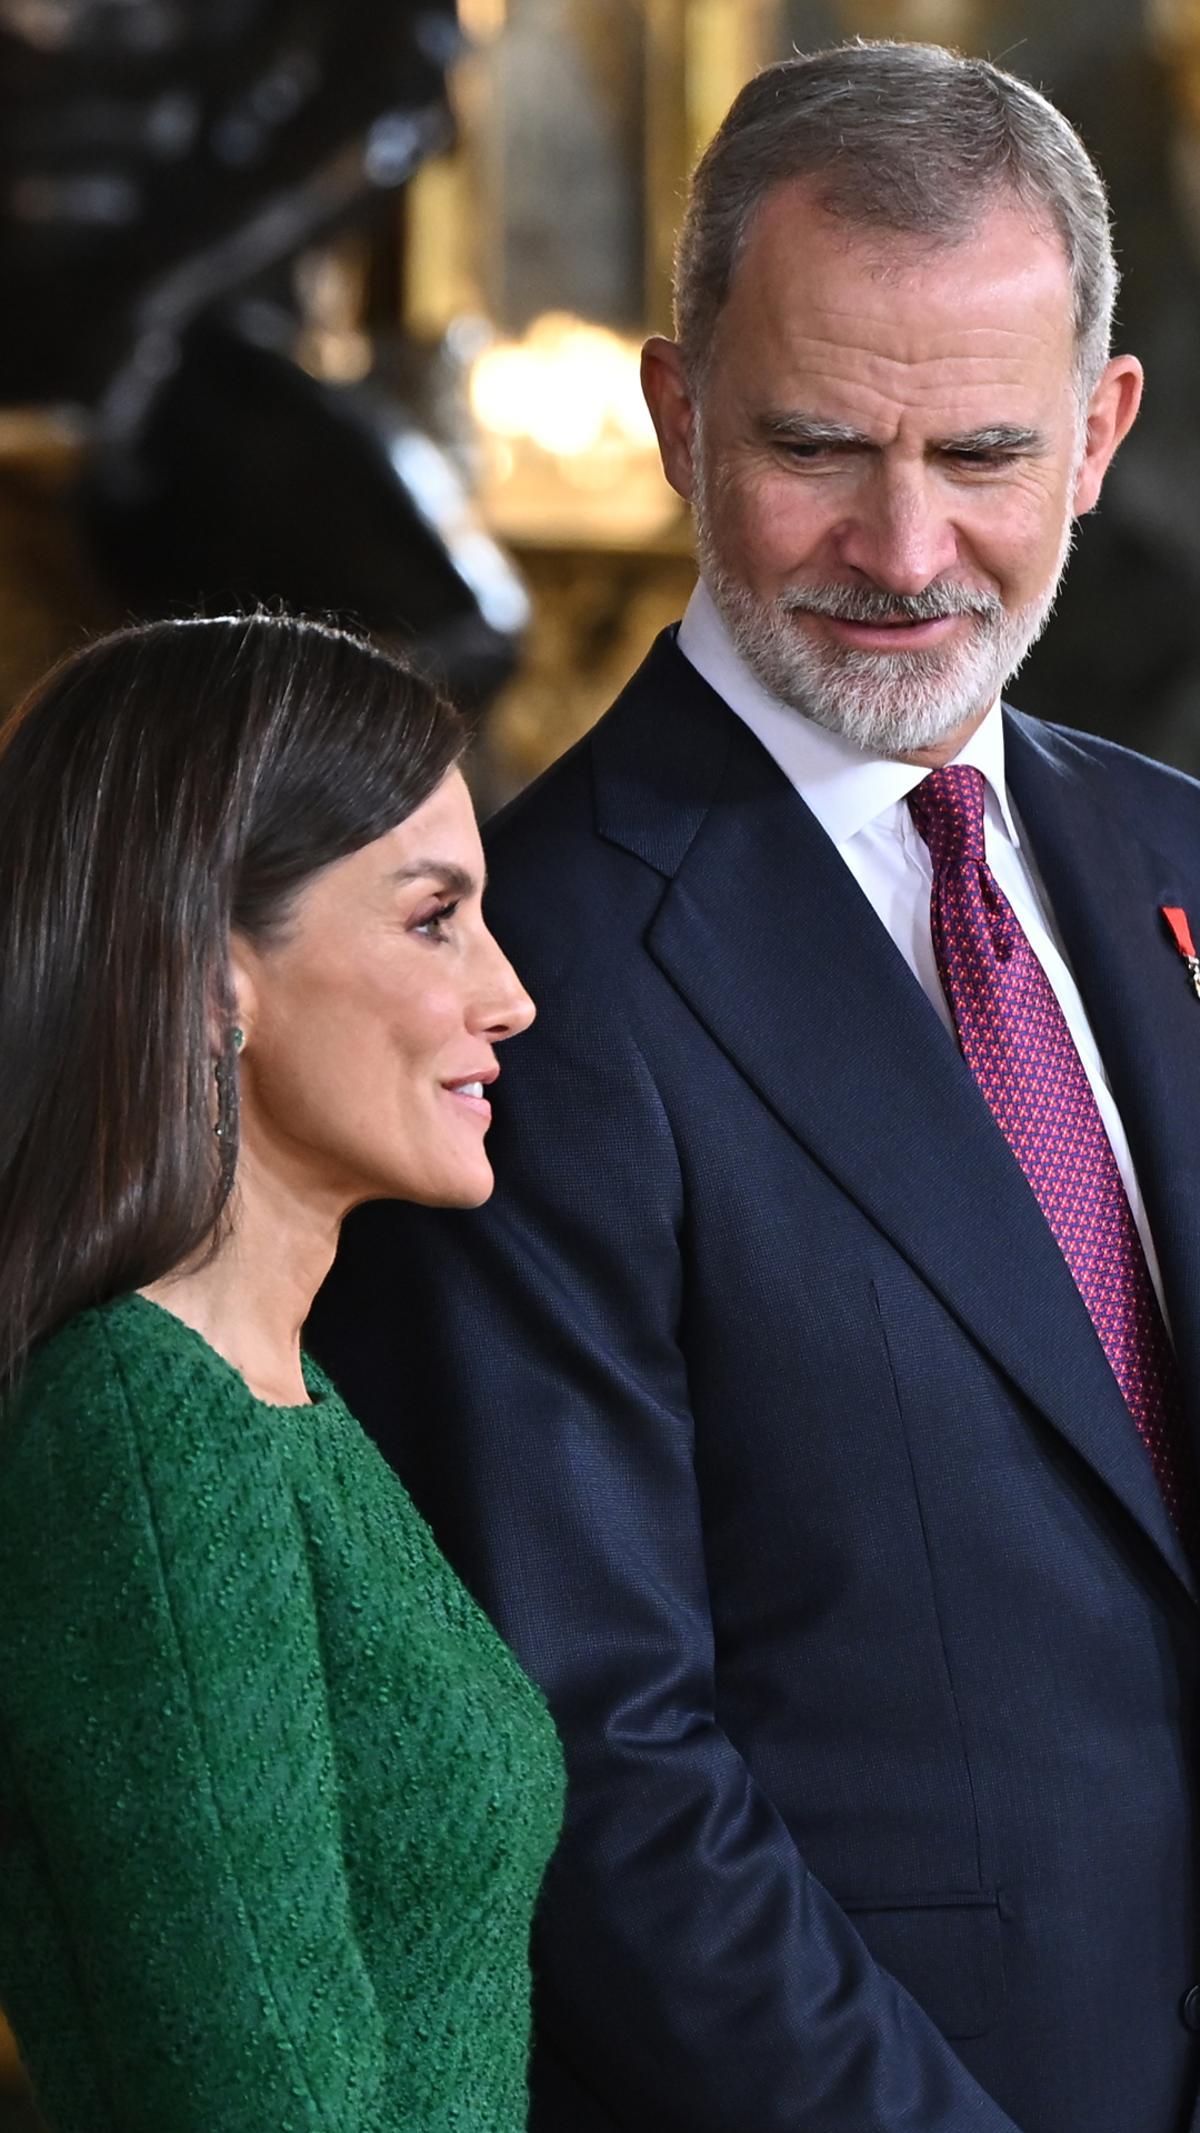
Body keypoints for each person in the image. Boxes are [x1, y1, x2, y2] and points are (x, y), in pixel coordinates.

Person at [309, 40, 1200, 2133]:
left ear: (1101, 432)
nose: (907, 545)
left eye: (983, 449)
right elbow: (601, 1769)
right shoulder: (527, 982)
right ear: (677, 417)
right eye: (819, 446)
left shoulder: (1180, 861)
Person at [0, 612, 563, 2133]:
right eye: (433, 915)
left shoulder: (281, 1396)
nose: (507, 992)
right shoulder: (145, 1419)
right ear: (208, 972)